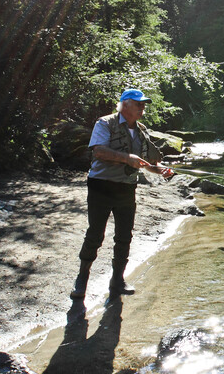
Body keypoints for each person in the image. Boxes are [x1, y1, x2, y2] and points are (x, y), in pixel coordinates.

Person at [71, 88, 174, 299]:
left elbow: (147, 163)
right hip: (101, 185)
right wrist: (127, 158)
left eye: (144, 104)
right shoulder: (105, 123)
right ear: (125, 104)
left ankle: (117, 281)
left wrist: (160, 170)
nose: (143, 107)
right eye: (139, 104)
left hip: (127, 188)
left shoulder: (142, 130)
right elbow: (99, 151)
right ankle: (82, 279)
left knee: (124, 237)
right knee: (95, 234)